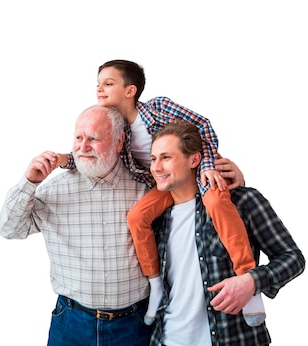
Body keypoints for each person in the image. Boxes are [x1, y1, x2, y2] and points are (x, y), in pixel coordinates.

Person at [57, 59, 263, 326]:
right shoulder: (119, 129)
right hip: (165, 183)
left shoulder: (158, 108)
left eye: (108, 84)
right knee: (136, 217)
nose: (99, 89)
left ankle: (249, 281)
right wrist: (65, 159)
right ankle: (155, 286)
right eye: (97, 84)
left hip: (199, 170)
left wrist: (208, 166)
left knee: (216, 203)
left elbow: (203, 126)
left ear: (130, 91)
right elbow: (98, 153)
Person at [0, 105, 152, 345]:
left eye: (94, 138)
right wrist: (28, 182)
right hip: (72, 323)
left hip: (134, 325)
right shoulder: (52, 189)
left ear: (119, 141)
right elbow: (9, 229)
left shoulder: (144, 187)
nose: (83, 147)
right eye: (79, 137)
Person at [148, 121, 305, 345]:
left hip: (233, 339)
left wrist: (251, 281)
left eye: (166, 158)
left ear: (194, 160)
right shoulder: (155, 218)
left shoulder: (242, 201)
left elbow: (293, 258)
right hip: (166, 340)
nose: (156, 167)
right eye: (153, 159)